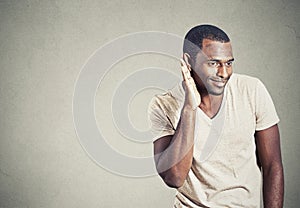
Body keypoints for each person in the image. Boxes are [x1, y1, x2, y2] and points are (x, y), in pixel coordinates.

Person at [148, 24, 284, 207]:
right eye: (213, 63)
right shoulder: (163, 105)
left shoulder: (252, 90)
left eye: (228, 63)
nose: (224, 73)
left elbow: (272, 166)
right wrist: (189, 108)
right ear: (188, 62)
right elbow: (175, 177)